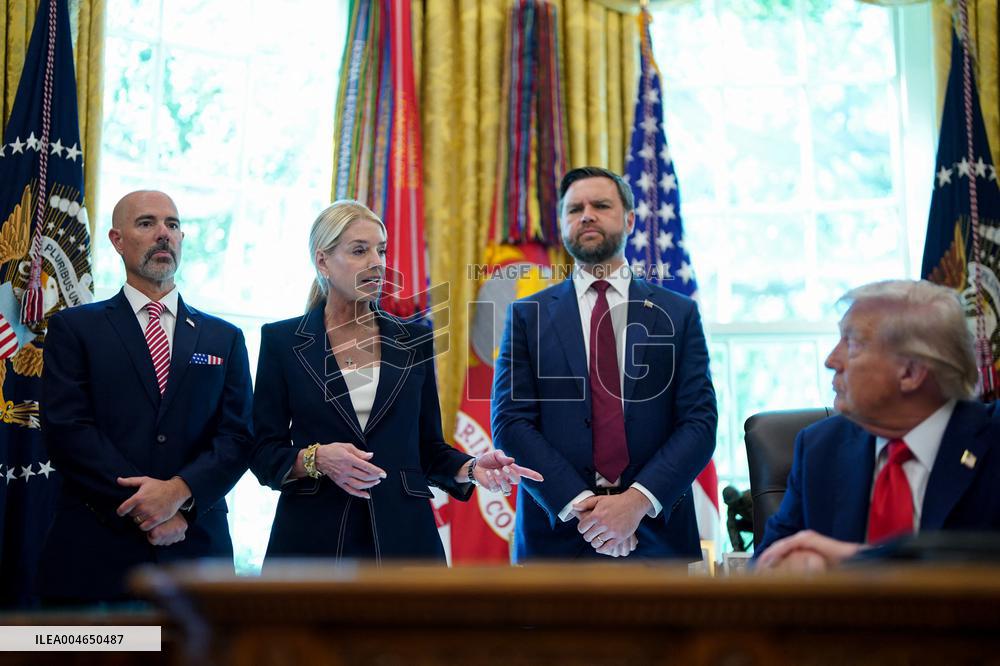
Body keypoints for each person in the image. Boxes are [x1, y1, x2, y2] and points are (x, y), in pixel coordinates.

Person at [250, 200, 541, 562]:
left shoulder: (414, 341)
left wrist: (470, 468)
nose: (377, 262)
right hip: (313, 542)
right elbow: (263, 453)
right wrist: (317, 458)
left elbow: (427, 449)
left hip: (404, 542)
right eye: (360, 251)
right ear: (322, 261)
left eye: (382, 250)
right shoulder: (281, 341)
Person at [491, 166, 717, 561]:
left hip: (656, 533)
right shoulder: (527, 316)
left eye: (601, 205)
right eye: (574, 209)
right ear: (563, 224)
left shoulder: (678, 314)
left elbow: (698, 422)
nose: (587, 215)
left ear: (629, 220)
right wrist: (584, 509)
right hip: (558, 535)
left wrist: (635, 503)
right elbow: (511, 423)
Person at [39, 190, 254, 603]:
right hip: (96, 547)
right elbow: (68, 430)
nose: (163, 233)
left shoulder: (224, 338)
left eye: (172, 225)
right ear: (117, 240)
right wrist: (147, 507)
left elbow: (238, 436)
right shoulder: (75, 328)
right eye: (146, 223)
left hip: (196, 547)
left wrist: (179, 495)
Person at [756, 279, 1000, 572]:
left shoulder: (993, 440)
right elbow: (763, 566)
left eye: (852, 344)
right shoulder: (820, 448)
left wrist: (857, 560)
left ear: (910, 372)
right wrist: (788, 566)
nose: (831, 360)